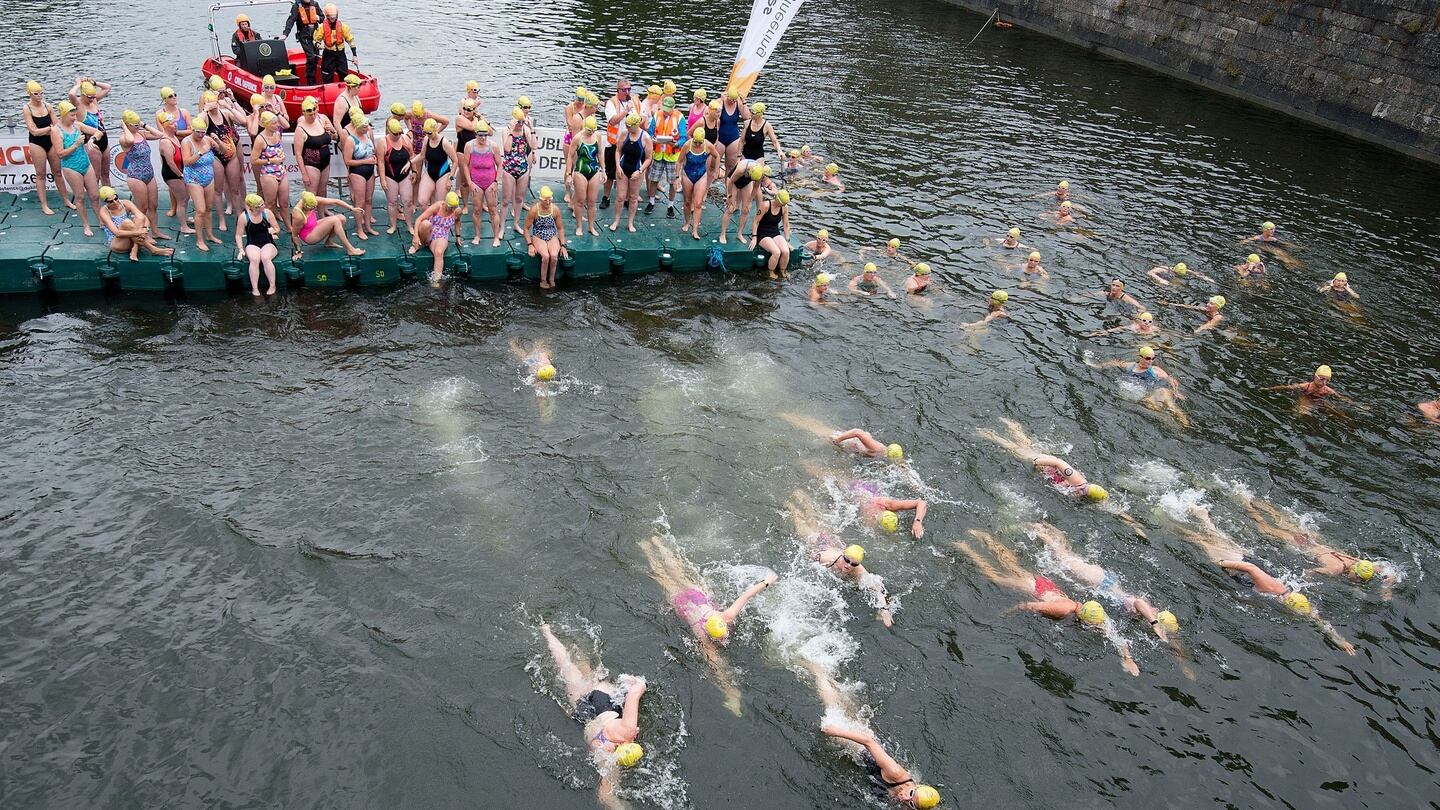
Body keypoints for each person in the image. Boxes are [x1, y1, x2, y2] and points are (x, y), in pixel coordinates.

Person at [1169, 503, 1355, 654]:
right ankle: (1182, 520)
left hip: (1243, 569)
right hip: (1238, 563)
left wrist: (1340, 640)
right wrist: (1222, 563)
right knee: (1204, 542)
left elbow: (1319, 621)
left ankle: (1198, 518)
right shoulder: (1272, 588)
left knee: (1212, 539)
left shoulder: (1295, 601)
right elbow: (1251, 568)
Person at [956, 530, 1139, 675]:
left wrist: (1128, 658)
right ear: (1084, 618)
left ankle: (986, 538)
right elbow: (1027, 605)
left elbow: (1114, 635)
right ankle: (966, 548)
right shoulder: (1061, 610)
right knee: (995, 576)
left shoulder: (1091, 611)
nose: (1095, 627)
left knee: (1010, 565)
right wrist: (1007, 613)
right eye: (1093, 625)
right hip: (1035, 588)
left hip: (1048, 586)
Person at [637, 532, 776, 715]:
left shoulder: (723, 618)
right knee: (665, 577)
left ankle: (651, 545)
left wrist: (767, 582)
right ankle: (649, 546)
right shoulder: (707, 635)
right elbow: (716, 667)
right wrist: (731, 694)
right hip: (683, 604)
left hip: (694, 599)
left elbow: (746, 595)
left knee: (672, 573)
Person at [975, 417, 1146, 536]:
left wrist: (1135, 526)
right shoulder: (1078, 481)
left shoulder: (1093, 498)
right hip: (1046, 464)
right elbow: (1058, 462)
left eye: (1083, 493)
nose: (1080, 492)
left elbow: (1116, 510)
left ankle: (1010, 424)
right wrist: (1038, 461)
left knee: (1024, 444)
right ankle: (989, 434)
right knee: (1018, 450)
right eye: (1082, 490)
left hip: (1044, 474)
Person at [538, 623, 646, 810]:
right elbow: (604, 797)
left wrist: (637, 683)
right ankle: (547, 634)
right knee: (566, 668)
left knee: (578, 669)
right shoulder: (607, 756)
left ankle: (547, 632)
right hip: (585, 719)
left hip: (601, 702)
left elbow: (636, 691)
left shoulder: (627, 729)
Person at [1026, 522, 1183, 645]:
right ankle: (1036, 529)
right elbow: (1138, 601)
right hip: (1099, 581)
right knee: (1062, 556)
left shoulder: (1151, 611)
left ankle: (1048, 528)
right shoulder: (1146, 612)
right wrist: (1154, 624)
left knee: (1067, 555)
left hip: (1106, 581)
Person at [813, 669, 940, 808]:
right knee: (832, 708)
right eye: (910, 793)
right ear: (916, 787)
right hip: (862, 748)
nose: (905, 798)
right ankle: (818, 673)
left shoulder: (908, 799)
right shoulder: (895, 773)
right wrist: (837, 731)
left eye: (911, 803)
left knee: (846, 707)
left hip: (872, 756)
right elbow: (869, 742)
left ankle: (833, 682)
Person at [1232, 490, 1393, 598]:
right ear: (1356, 572)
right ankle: (1246, 502)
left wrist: (1387, 588)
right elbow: (1309, 572)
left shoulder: (1360, 563)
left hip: (1314, 539)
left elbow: (1390, 570)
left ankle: (1254, 498)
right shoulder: (1335, 569)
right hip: (1302, 545)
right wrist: (1312, 587)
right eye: (1358, 579)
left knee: (1279, 519)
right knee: (1264, 529)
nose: (1357, 581)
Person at [787, 490, 893, 625]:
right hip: (822, 542)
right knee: (802, 527)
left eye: (853, 564)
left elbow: (876, 588)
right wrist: (811, 555)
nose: (848, 565)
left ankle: (802, 500)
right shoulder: (827, 558)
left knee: (814, 521)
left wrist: (884, 610)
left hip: (834, 544)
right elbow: (811, 556)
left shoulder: (859, 571)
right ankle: (792, 506)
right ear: (843, 556)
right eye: (847, 560)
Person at [1087, 345, 1189, 426]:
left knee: (1170, 404)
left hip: (1157, 390)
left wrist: (1176, 392)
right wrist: (1096, 365)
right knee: (1149, 404)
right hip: (1145, 394)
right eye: (1148, 358)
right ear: (1140, 357)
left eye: (1153, 358)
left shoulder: (1155, 370)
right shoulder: (1130, 366)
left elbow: (1171, 380)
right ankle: (1170, 422)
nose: (1150, 361)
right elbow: (1115, 363)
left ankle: (1185, 424)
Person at [52, 101, 104, 237]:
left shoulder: (78, 125)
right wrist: (76, 145)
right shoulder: (56, 131)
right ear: (63, 115)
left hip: (85, 164)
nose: (75, 118)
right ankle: (86, 225)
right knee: (80, 197)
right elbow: (60, 153)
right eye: (72, 115)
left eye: (75, 115)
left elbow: (99, 132)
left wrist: (92, 140)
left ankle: (101, 220)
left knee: (95, 195)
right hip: (71, 167)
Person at [115, 110, 167, 241]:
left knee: (153, 205)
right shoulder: (124, 138)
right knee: (142, 208)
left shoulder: (142, 134)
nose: (137, 126)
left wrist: (143, 125)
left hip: (149, 173)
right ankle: (143, 233)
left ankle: (155, 231)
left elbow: (160, 134)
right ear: (127, 125)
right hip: (136, 176)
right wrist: (124, 127)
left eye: (138, 123)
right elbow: (131, 140)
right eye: (134, 124)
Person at [21, 80, 71, 215]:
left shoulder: (48, 106)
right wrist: (50, 129)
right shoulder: (27, 108)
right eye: (36, 94)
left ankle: (66, 200)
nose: (39, 96)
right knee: (41, 174)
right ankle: (44, 205)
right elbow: (34, 131)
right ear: (29, 95)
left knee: (58, 172)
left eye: (41, 93)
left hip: (51, 142)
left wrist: (53, 130)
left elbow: (58, 125)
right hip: (37, 143)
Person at [199, 90, 246, 232]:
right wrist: (204, 109)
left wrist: (229, 105)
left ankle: (240, 216)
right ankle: (221, 219)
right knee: (218, 190)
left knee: (235, 188)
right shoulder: (205, 117)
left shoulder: (225, 113)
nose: (213, 106)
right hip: (215, 157)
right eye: (210, 103)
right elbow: (196, 126)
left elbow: (243, 121)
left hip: (231, 156)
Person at [96, 186, 172, 262]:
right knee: (127, 222)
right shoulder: (104, 211)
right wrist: (139, 232)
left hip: (133, 239)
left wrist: (145, 229)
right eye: (110, 201)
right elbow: (117, 233)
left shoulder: (125, 203)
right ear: (105, 202)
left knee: (139, 217)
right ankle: (152, 249)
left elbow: (143, 217)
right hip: (118, 243)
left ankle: (135, 249)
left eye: (116, 199)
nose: (115, 202)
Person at [181, 119, 223, 250]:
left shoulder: (208, 140)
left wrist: (218, 142)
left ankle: (210, 235)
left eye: (203, 132)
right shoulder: (186, 142)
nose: (200, 135)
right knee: (200, 210)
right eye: (198, 132)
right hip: (193, 179)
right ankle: (199, 240)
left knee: (209, 209)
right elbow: (186, 162)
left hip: (208, 177)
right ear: (192, 130)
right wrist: (200, 152)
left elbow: (223, 151)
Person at [459, 121, 503, 245]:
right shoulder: (469, 146)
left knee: (493, 210)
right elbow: (465, 165)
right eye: (480, 135)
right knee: (477, 210)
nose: (483, 138)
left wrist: (496, 181)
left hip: (490, 182)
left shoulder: (493, 146)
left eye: (485, 135)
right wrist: (470, 183)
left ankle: (495, 237)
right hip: (476, 182)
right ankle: (477, 236)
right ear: (476, 134)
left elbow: (500, 165)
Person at [293, 97, 338, 216]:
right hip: (311, 163)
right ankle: (310, 219)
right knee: (311, 194)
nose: (313, 116)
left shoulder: (321, 120)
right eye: (310, 115)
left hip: (325, 161)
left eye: (314, 113)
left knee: (323, 190)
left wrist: (333, 131)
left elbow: (334, 138)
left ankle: (322, 214)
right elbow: (298, 153)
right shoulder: (300, 129)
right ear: (304, 113)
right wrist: (304, 174)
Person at [608, 113, 652, 233]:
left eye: (628, 126)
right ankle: (616, 221)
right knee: (620, 197)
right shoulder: (624, 134)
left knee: (633, 198)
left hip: (637, 169)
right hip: (623, 168)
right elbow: (618, 151)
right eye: (626, 125)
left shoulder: (645, 138)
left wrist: (640, 171)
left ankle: (630, 223)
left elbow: (648, 158)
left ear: (636, 125)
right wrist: (617, 166)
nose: (626, 128)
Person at [290, 190, 365, 259]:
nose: (312, 209)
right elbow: (294, 235)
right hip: (309, 237)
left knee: (342, 218)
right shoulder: (298, 215)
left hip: (314, 226)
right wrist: (298, 252)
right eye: (310, 208)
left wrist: (351, 208)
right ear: (304, 204)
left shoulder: (312, 199)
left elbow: (335, 201)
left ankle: (329, 242)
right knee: (335, 220)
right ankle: (350, 249)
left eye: (314, 207)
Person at [250, 112, 291, 236]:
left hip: (281, 171)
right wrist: (271, 160)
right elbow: (254, 160)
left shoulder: (277, 134)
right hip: (269, 174)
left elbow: (286, 126)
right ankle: (269, 228)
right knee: (270, 204)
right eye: (274, 123)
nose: (277, 125)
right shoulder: (260, 140)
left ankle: (289, 226)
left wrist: (281, 156)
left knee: (284, 202)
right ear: (266, 125)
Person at [408, 192, 461, 286]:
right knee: (425, 224)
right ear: (445, 204)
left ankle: (436, 280)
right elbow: (418, 220)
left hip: (442, 235)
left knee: (439, 252)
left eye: (454, 207)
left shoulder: (457, 211)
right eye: (451, 207)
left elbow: (457, 221)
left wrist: (458, 237)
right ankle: (418, 245)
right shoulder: (438, 206)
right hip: (430, 230)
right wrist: (415, 236)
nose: (453, 210)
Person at [68, 78, 113, 188]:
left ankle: (110, 199)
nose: (92, 99)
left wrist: (94, 83)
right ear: (82, 94)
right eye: (90, 97)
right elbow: (71, 94)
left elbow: (107, 87)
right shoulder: (79, 106)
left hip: (103, 139)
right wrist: (78, 84)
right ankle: (94, 201)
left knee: (106, 175)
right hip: (91, 143)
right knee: (95, 177)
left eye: (93, 96)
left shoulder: (94, 101)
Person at [600, 80, 638, 210]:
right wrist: (625, 111)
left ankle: (627, 198)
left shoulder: (633, 101)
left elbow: (637, 120)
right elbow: (612, 120)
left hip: (628, 143)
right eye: (624, 90)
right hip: (614, 143)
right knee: (610, 173)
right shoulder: (611, 103)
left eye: (629, 89)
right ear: (618, 90)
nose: (627, 92)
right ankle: (606, 197)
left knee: (628, 171)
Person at [341, 115, 380, 239]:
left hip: (370, 171)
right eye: (364, 126)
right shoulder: (350, 140)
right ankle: (359, 229)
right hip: (357, 172)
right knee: (360, 202)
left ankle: (368, 226)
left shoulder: (367, 135)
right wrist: (366, 161)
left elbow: (373, 152)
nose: (367, 128)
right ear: (357, 126)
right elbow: (348, 161)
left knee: (369, 200)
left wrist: (374, 160)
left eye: (367, 125)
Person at [645, 96, 684, 216]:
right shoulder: (657, 115)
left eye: (668, 109)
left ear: (673, 107)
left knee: (672, 182)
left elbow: (684, 137)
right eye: (664, 109)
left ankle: (670, 205)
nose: (665, 112)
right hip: (658, 154)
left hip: (672, 156)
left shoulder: (680, 118)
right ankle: (651, 202)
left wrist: (676, 144)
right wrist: (653, 139)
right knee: (654, 179)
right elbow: (650, 132)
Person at [155, 110, 193, 235]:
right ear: (165, 126)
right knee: (182, 200)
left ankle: (185, 218)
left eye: (175, 123)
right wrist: (181, 175)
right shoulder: (166, 141)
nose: (175, 125)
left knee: (186, 197)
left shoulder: (174, 137)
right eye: (172, 124)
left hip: (179, 172)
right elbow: (170, 162)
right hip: (172, 174)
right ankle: (183, 226)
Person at [234, 193, 280, 295]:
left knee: (265, 257)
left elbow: (277, 228)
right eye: (261, 205)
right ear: (253, 208)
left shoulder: (267, 213)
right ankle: (255, 288)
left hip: (268, 242)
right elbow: (238, 235)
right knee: (254, 259)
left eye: (263, 203)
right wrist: (241, 249)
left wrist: (274, 231)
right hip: (252, 243)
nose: (264, 206)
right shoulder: (244, 217)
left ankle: (272, 286)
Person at [500, 107, 536, 235]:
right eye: (519, 122)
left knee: (519, 199)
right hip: (509, 168)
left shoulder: (525, 130)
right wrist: (511, 130)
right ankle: (502, 227)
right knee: (505, 201)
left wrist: (531, 130)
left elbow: (533, 146)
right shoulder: (506, 131)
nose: (521, 124)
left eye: (522, 122)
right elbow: (507, 149)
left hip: (523, 168)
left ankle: (516, 224)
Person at [525, 186, 569, 290]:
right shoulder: (534, 210)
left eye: (550, 200)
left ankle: (552, 279)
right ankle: (543, 281)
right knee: (546, 256)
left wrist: (563, 245)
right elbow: (526, 229)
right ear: (540, 200)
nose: (548, 202)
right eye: (546, 200)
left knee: (554, 257)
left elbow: (560, 228)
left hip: (551, 235)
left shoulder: (555, 209)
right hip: (538, 235)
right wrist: (530, 245)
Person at [678, 127, 718, 239]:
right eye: (695, 142)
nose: (697, 144)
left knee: (698, 203)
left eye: (699, 143)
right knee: (687, 201)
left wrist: (715, 170)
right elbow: (679, 161)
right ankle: (687, 222)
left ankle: (695, 230)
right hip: (687, 174)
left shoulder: (708, 145)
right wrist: (677, 176)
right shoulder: (687, 145)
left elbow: (717, 155)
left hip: (701, 175)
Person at [718, 160, 768, 245]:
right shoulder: (741, 169)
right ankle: (722, 234)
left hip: (746, 183)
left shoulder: (760, 173)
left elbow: (755, 187)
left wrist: (749, 201)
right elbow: (730, 182)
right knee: (730, 208)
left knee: (746, 209)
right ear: (749, 171)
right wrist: (729, 196)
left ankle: (739, 234)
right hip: (733, 182)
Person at [379, 118, 414, 235]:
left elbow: (412, 156)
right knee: (392, 202)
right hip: (390, 176)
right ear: (389, 131)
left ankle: (410, 225)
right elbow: (381, 163)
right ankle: (393, 225)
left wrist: (414, 171)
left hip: (405, 176)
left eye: (400, 132)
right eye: (395, 134)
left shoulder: (405, 139)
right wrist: (383, 179)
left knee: (408, 201)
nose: (398, 135)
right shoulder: (383, 143)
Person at [415, 118, 458, 209]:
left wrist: (450, 178)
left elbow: (455, 161)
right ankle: (431, 219)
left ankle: (439, 221)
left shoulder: (444, 142)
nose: (427, 135)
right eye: (425, 133)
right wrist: (409, 162)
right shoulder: (426, 139)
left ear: (435, 130)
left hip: (443, 174)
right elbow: (421, 155)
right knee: (422, 201)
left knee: (440, 204)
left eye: (429, 133)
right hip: (430, 172)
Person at [312, 4, 357, 86]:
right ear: (327, 16)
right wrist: (318, 45)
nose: (332, 18)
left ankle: (344, 90)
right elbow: (315, 40)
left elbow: (350, 40)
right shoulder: (321, 27)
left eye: (334, 16)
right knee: (327, 75)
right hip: (328, 54)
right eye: (330, 16)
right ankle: (328, 89)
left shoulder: (343, 27)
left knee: (343, 74)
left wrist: (354, 55)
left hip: (340, 54)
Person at [754, 188, 793, 278]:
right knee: (776, 252)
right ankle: (770, 272)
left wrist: (787, 240)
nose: (783, 205)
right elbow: (755, 222)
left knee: (786, 251)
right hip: (762, 233)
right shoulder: (765, 205)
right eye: (782, 203)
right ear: (777, 199)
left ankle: (782, 271)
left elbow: (786, 225)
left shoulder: (784, 207)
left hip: (775, 232)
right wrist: (754, 237)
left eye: (784, 204)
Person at [283, 0, 324, 84]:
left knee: (316, 58)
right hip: (304, 36)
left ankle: (313, 76)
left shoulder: (315, 4)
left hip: (316, 36)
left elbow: (322, 18)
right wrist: (285, 34)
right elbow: (291, 21)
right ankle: (310, 80)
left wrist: (318, 18)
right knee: (311, 57)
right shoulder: (296, 6)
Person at [716, 88, 749, 178]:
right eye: (731, 100)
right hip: (720, 138)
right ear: (727, 96)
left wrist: (744, 102)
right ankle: (706, 189)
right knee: (713, 166)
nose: (732, 102)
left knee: (730, 168)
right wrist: (722, 102)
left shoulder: (738, 103)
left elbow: (747, 117)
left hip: (733, 138)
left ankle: (728, 191)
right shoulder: (720, 101)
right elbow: (715, 115)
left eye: (734, 100)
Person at [1088, 309, 1159, 338]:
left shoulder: (1154, 329)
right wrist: (1105, 332)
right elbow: (1120, 329)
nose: (1147, 323)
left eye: (1149, 322)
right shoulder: (1134, 328)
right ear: (1139, 321)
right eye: (1144, 321)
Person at [1147, 261, 1213, 285]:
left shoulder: (1184, 270)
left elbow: (1195, 273)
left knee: (1179, 283)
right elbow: (1150, 272)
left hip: (1170, 277)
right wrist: (1160, 280)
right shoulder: (1163, 269)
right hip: (1161, 276)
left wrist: (1206, 278)